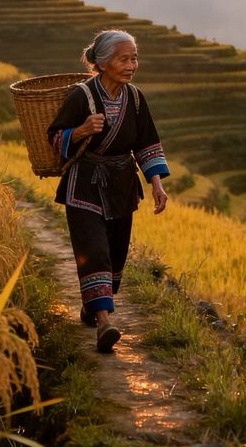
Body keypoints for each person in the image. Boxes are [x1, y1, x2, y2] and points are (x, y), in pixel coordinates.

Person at [47, 29, 169, 352]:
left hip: (121, 187)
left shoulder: (136, 99)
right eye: (124, 59)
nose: (132, 65)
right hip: (84, 186)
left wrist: (156, 183)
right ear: (102, 63)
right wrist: (81, 130)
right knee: (95, 252)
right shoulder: (81, 97)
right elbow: (55, 137)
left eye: (134, 58)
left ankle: (92, 306)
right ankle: (104, 323)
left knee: (116, 256)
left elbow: (146, 143)